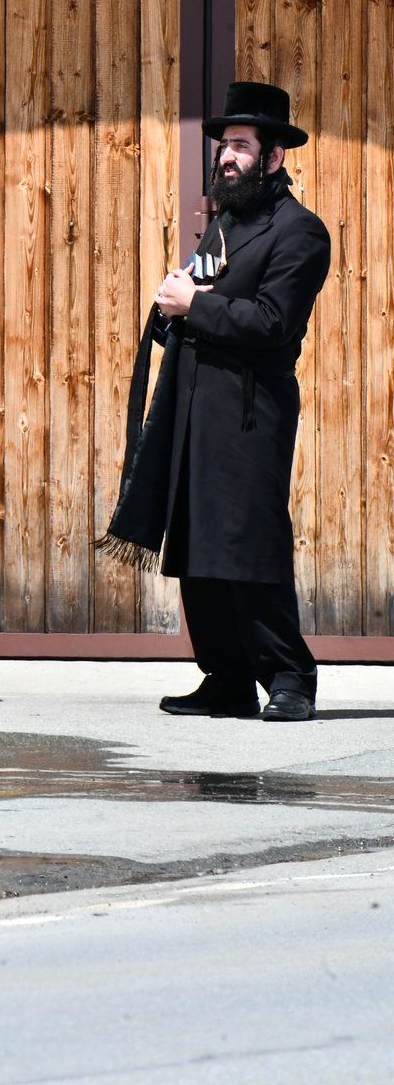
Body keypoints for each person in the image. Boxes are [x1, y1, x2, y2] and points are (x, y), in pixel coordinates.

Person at [149, 81, 331, 722]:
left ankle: (289, 676)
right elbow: (201, 297)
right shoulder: (224, 225)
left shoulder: (300, 233)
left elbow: (274, 322)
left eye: (241, 146)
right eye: (224, 145)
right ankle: (226, 678)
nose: (226, 157)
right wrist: (176, 302)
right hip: (198, 406)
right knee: (199, 545)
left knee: (248, 543)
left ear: (275, 156)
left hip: (252, 413)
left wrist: (194, 304)